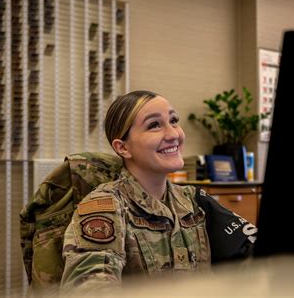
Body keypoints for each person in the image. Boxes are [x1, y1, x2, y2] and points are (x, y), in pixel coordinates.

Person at [60, 90, 254, 295]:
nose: (173, 134)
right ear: (123, 148)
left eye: (173, 120)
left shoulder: (194, 200)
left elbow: (252, 256)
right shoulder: (106, 207)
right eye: (154, 125)